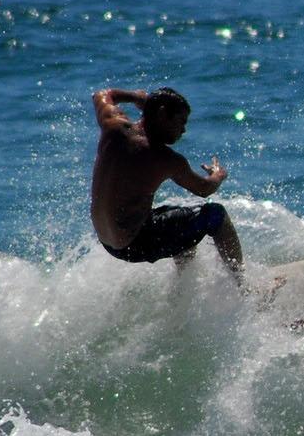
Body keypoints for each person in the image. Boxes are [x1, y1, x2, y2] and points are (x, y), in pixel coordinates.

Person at [89, 86, 245, 286]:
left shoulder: (113, 126)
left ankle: (183, 289)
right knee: (215, 215)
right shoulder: (165, 159)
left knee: (180, 218)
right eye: (180, 122)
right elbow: (205, 189)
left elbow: (101, 95)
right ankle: (243, 287)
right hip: (135, 244)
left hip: (106, 240)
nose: (183, 130)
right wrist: (218, 175)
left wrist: (137, 97)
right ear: (162, 114)